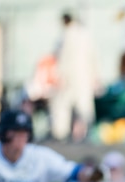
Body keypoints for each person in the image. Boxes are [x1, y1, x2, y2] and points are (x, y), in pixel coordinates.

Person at [49, 12, 99, 143]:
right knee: (84, 107)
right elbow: (93, 58)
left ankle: (61, 135)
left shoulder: (65, 35)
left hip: (69, 78)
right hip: (84, 78)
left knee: (62, 106)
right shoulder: (85, 34)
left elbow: (60, 59)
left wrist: (59, 77)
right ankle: (84, 134)